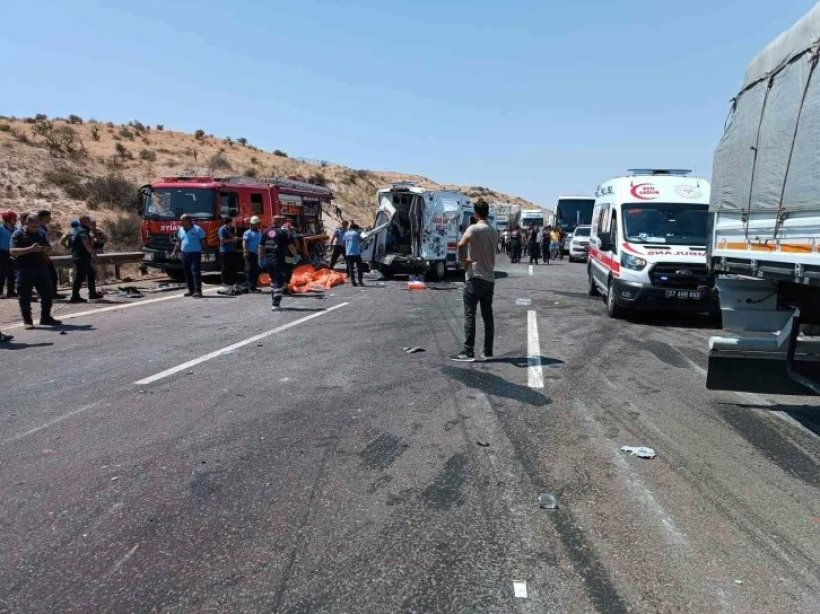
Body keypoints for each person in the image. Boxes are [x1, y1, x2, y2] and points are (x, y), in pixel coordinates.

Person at [451, 201, 497, 362]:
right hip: (489, 278)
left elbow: (461, 244)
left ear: (476, 213)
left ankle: (468, 351)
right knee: (487, 316)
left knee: (470, 315)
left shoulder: (474, 228)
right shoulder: (493, 230)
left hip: (475, 277)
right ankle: (488, 351)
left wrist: (465, 262)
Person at [9, 212, 61, 329]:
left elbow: (48, 248)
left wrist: (46, 249)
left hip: (41, 267)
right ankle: (27, 320)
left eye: (37, 226)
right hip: (24, 268)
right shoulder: (18, 234)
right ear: (27, 223)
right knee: (25, 296)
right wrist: (31, 249)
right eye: (33, 226)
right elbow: (12, 251)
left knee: (47, 293)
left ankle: (46, 317)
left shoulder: (41, 233)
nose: (35, 229)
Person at [262, 216, 297, 311]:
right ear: (280, 222)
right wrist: (295, 255)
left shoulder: (265, 232)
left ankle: (274, 300)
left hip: (268, 260)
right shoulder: (282, 233)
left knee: (273, 281)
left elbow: (261, 246)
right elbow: (290, 246)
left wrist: (260, 258)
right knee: (279, 282)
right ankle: (275, 304)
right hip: (278, 261)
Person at [170, 214, 205, 298]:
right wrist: (174, 252)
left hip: (195, 253)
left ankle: (198, 291)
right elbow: (178, 242)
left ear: (188, 220)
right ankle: (191, 290)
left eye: (182, 220)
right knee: (187, 271)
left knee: (195, 271)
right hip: (185, 253)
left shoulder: (197, 229)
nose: (181, 222)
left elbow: (203, 241)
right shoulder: (180, 230)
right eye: (180, 220)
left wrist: (206, 252)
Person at [69, 215, 102, 303]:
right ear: (84, 221)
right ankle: (75, 296)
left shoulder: (75, 230)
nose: (91, 223)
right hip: (82, 256)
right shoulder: (83, 231)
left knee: (91, 273)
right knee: (80, 276)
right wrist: (93, 253)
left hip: (78, 255)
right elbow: (86, 244)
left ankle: (92, 293)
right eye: (89, 221)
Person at [37, 209, 65, 299]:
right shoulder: (38, 228)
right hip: (41, 255)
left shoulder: (43, 228)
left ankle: (50, 293)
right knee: (52, 275)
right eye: (49, 217)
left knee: (49, 275)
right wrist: (44, 255)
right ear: (44, 217)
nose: (50, 219)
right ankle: (52, 294)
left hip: (44, 254)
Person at [243, 215, 263, 292]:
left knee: (255, 270)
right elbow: (245, 243)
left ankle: (253, 286)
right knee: (250, 270)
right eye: (252, 224)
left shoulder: (259, 232)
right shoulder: (247, 233)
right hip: (250, 254)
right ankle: (251, 287)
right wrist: (245, 252)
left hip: (257, 254)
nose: (253, 226)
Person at [218, 216, 240, 287]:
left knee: (233, 267)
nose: (233, 223)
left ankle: (232, 281)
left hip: (232, 250)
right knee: (225, 267)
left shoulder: (232, 229)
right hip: (225, 251)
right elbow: (222, 240)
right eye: (232, 222)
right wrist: (232, 240)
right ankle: (224, 282)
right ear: (229, 222)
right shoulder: (222, 229)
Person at [0, 210, 18, 298]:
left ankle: (11, 291)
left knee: (12, 272)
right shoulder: (1, 229)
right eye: (14, 219)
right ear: (7, 219)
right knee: (2, 273)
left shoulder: (15, 229)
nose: (16, 221)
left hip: (12, 252)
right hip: (2, 253)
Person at [344, 222, 364, 287]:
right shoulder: (356, 233)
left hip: (348, 253)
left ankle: (353, 282)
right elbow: (361, 240)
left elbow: (344, 241)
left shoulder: (346, 233)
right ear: (356, 228)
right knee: (359, 267)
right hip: (356, 253)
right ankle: (360, 281)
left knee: (351, 268)